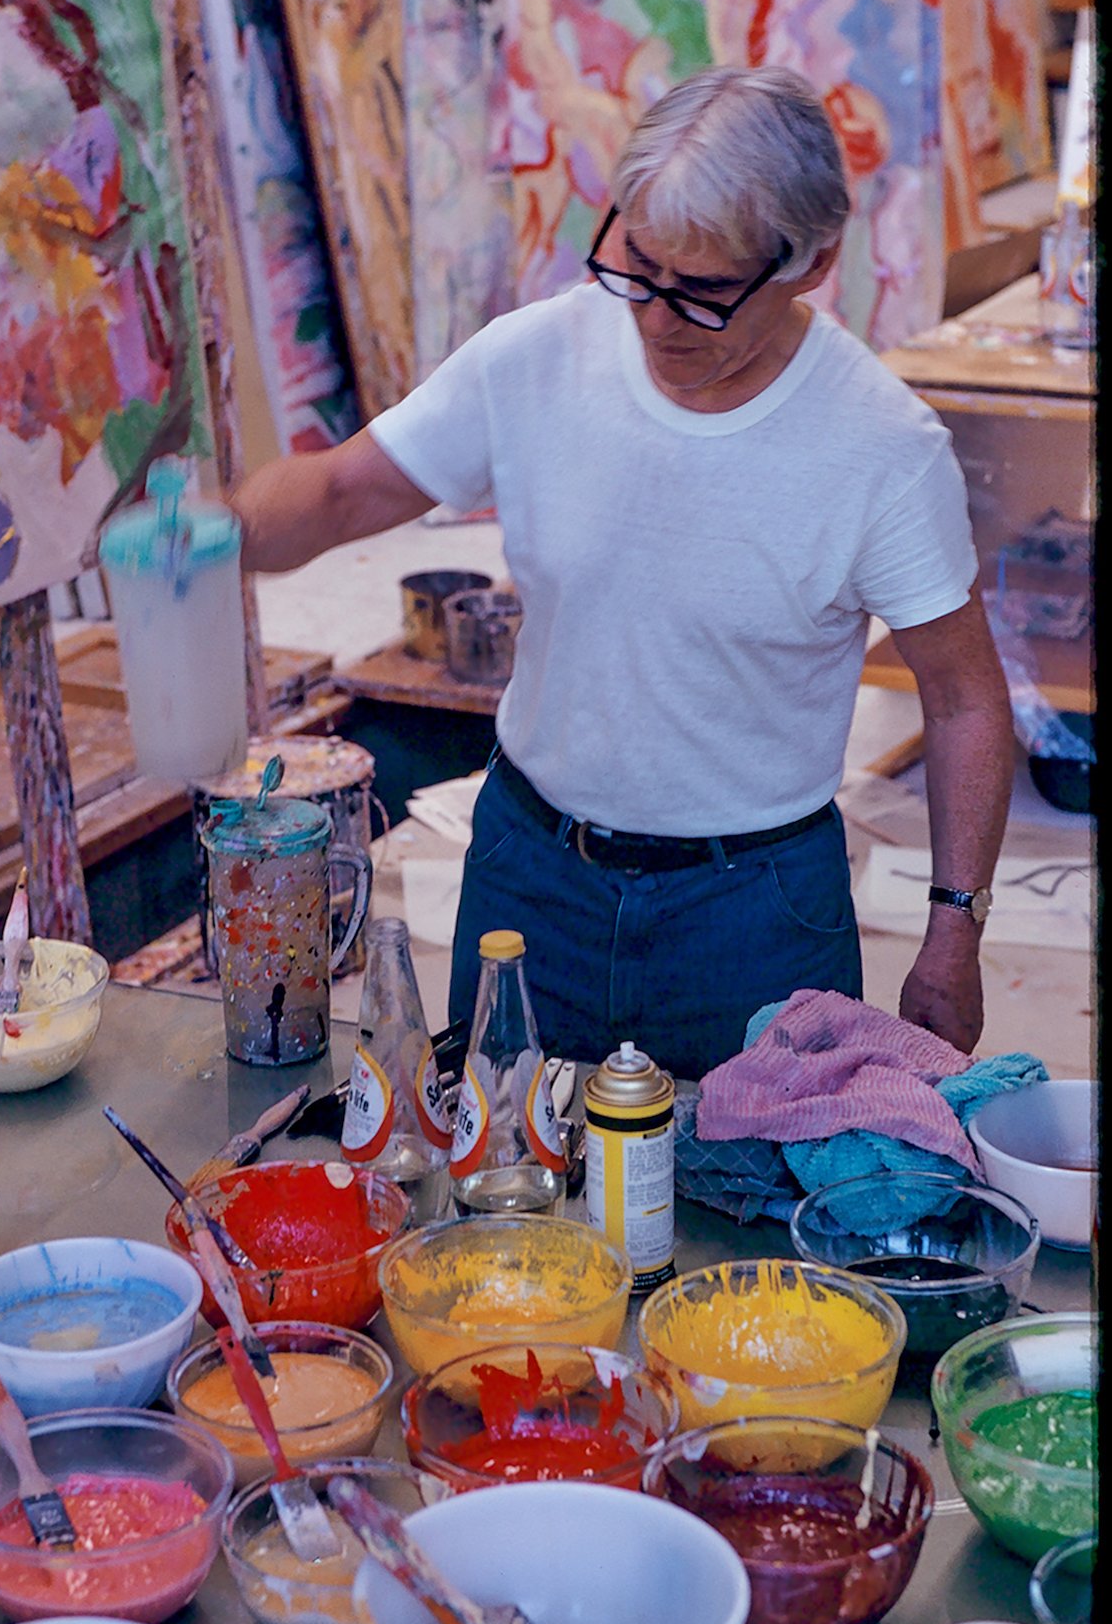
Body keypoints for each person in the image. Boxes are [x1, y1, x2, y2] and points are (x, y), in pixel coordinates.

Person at [230, 65, 1015, 1079]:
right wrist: (215, 532)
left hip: (753, 909)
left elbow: (960, 700)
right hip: (530, 875)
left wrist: (955, 924)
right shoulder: (536, 359)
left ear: (810, 262)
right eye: (636, 267)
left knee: (739, 1211)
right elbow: (343, 491)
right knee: (500, 1182)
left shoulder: (880, 449)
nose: (652, 319)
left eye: (701, 294)